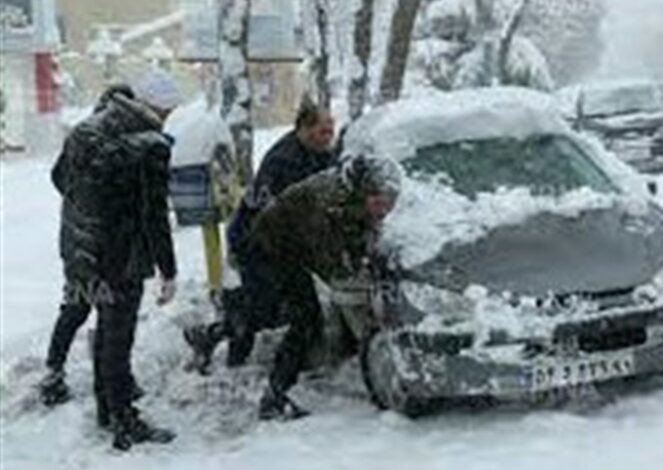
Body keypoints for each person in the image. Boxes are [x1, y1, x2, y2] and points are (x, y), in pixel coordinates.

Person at [190, 156, 401, 419]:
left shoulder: (354, 197)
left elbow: (362, 237)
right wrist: (362, 280)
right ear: (362, 192)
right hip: (267, 249)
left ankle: (211, 332)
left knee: (271, 313)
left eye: (390, 200)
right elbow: (332, 267)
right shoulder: (324, 207)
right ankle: (275, 396)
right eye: (380, 200)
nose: (385, 208)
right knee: (305, 318)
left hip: (292, 249)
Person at [39, 69, 181, 451]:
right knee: (116, 337)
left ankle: (105, 406)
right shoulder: (150, 144)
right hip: (121, 257)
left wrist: (89, 211)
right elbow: (154, 215)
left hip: (80, 247)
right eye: (168, 110)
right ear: (159, 108)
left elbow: (59, 177)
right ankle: (122, 419)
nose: (168, 118)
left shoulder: (87, 130)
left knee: (90, 319)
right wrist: (168, 269)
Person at [184, 99, 337, 370]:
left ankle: (214, 333)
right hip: (256, 242)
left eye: (331, 130)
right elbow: (265, 215)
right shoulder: (282, 161)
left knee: (279, 309)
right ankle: (277, 379)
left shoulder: (321, 154)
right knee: (276, 309)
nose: (330, 137)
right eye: (324, 131)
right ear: (304, 128)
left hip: (284, 244)